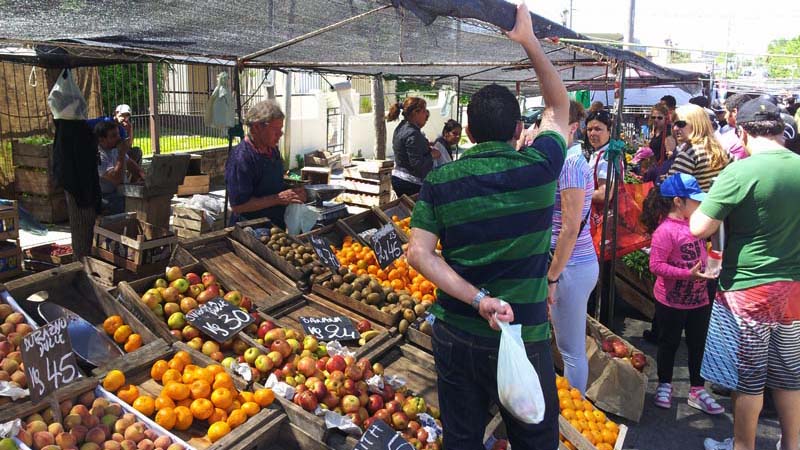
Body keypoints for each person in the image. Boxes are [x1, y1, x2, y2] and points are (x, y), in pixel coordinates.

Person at [406, 4, 570, 448]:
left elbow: (418, 254)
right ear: (519, 128)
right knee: (535, 439)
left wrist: (479, 300)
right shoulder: (540, 169)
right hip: (524, 334)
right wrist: (529, 41)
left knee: (461, 440)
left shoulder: (440, 181)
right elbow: (559, 106)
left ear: (471, 133)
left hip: (457, 333)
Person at [691, 98, 800, 450]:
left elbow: (698, 227)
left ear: (743, 131)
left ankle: (742, 446)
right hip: (794, 290)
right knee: (788, 376)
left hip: (749, 289)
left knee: (748, 378)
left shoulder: (741, 171)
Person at [640, 173, 723, 415]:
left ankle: (697, 388)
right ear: (678, 201)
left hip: (699, 299)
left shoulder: (696, 225)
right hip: (671, 301)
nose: (699, 204)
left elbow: (704, 251)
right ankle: (665, 383)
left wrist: (710, 265)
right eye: (694, 200)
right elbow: (656, 266)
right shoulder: (665, 231)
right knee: (669, 343)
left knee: (699, 345)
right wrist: (688, 274)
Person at [547, 100, 598, 394]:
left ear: (572, 128)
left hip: (570, 266)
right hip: (571, 264)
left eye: (554, 125)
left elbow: (570, 228)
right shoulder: (568, 161)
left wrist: (553, 275)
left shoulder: (570, 165)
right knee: (567, 344)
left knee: (571, 349)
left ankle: (573, 416)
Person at [225, 99, 306, 227]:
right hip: (250, 229)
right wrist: (278, 199)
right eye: (275, 129)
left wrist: (291, 192)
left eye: (281, 129)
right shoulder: (241, 158)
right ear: (256, 127)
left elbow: (269, 185)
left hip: (275, 225)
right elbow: (238, 206)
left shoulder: (272, 150)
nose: (280, 134)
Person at [668, 104, 728, 193]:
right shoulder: (721, 149)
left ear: (696, 124)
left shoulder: (689, 153)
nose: (675, 128)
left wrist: (663, 179)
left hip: (696, 205)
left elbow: (671, 186)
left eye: (680, 124)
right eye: (674, 124)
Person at [388, 96, 435, 197]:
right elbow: (417, 165)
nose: (425, 115)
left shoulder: (401, 127)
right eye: (423, 112)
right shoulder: (412, 133)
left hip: (399, 178)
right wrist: (432, 155)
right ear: (415, 113)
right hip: (410, 183)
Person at [95, 120, 144, 215]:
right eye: (113, 136)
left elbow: (134, 168)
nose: (119, 138)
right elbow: (116, 179)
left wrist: (147, 180)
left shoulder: (115, 148)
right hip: (105, 197)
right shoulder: (98, 155)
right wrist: (121, 154)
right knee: (132, 205)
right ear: (102, 140)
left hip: (120, 192)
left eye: (118, 134)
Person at [584, 109, 614, 206]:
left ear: (609, 131)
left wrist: (577, 193)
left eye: (598, 129)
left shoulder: (606, 157)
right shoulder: (599, 153)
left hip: (600, 217)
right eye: (589, 129)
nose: (592, 133)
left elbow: (604, 195)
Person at [643, 103, 677, 184]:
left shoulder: (668, 133)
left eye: (659, 118)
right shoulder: (656, 130)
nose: (656, 120)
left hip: (662, 173)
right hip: (654, 169)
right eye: (653, 117)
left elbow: (670, 157)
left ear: (666, 118)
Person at [719, 94, 750, 161]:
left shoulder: (728, 139)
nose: (725, 117)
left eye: (726, 112)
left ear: (734, 112)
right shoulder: (760, 135)